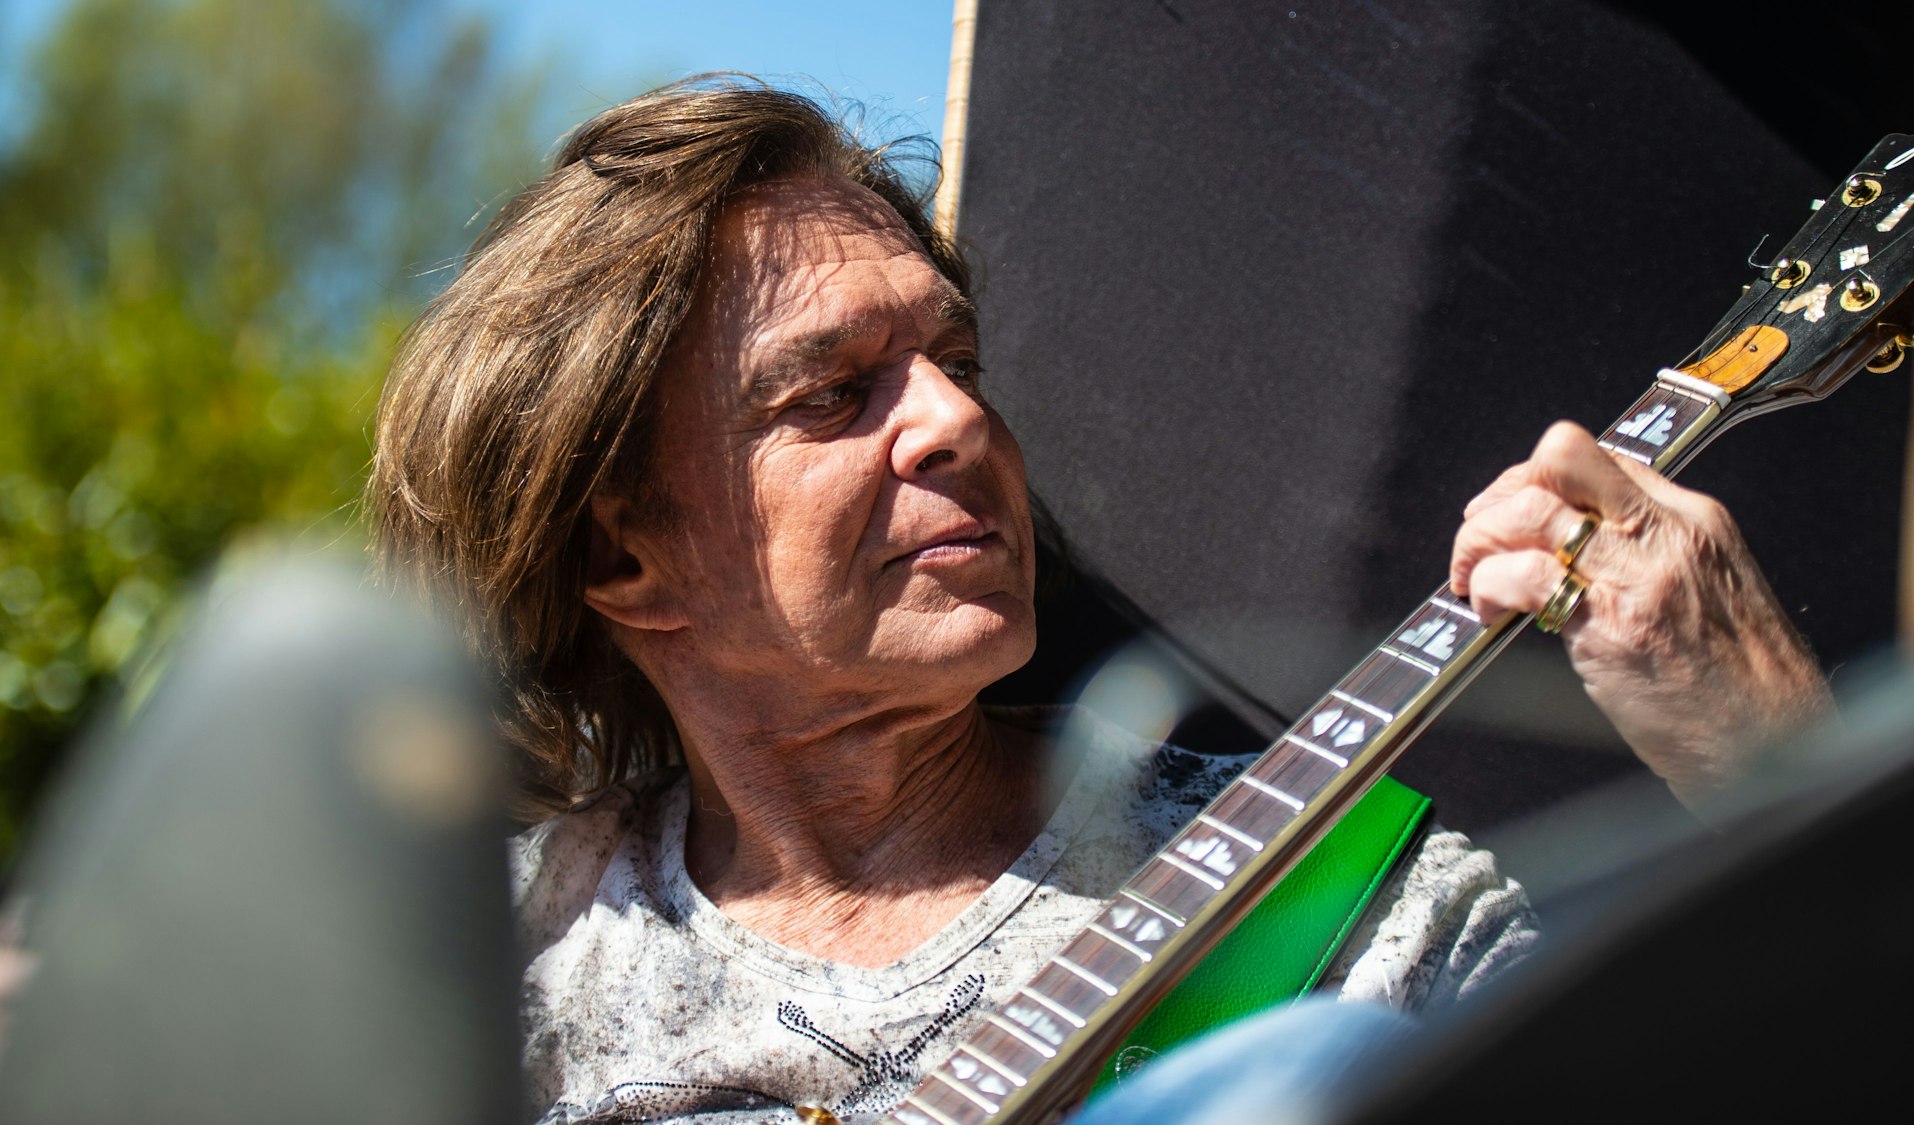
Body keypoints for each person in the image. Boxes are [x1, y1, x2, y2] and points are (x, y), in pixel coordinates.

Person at [366, 75, 1832, 1124]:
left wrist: (1777, 762)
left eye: (959, 361)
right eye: (834, 392)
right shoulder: (486, 975)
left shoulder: (1358, 916)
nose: (953, 420)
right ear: (625, 556)